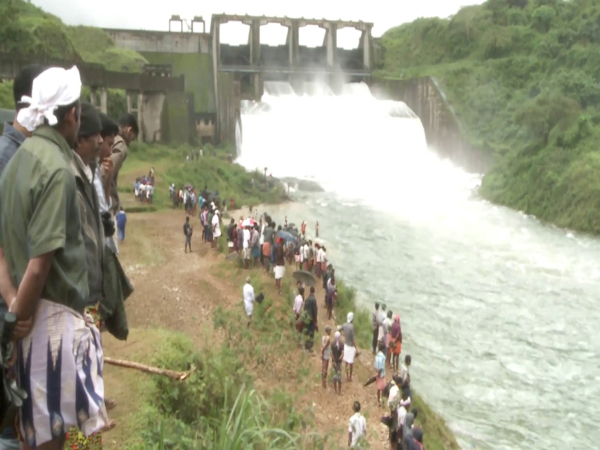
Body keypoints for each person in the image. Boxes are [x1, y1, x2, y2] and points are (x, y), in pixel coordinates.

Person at [0, 66, 108, 449]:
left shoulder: (17, 161)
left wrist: (13, 304)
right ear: (72, 115)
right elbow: (39, 266)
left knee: (31, 435)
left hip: (25, 317)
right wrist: (18, 316)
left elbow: (2, 250)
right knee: (49, 440)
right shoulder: (56, 170)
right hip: (48, 328)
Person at [108, 113, 138, 216]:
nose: (130, 143)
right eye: (132, 138)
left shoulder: (110, 137)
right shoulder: (121, 145)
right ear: (129, 130)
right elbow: (107, 173)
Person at [339, 312, 357, 381]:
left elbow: (339, 329)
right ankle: (350, 377)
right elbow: (353, 339)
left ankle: (346, 376)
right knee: (351, 363)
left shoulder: (344, 325)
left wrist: (343, 335)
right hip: (351, 347)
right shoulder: (351, 327)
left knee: (346, 362)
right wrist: (356, 348)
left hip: (346, 345)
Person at [303, 286, 318, 352]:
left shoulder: (307, 299)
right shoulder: (314, 300)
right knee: (311, 332)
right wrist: (315, 320)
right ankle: (309, 347)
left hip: (306, 318)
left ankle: (306, 346)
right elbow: (315, 311)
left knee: (306, 331)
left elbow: (304, 308)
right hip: (311, 319)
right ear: (314, 291)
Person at [374, 341, 387, 406]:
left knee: (378, 388)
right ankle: (382, 400)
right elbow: (382, 367)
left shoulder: (377, 356)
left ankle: (378, 400)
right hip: (381, 375)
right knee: (383, 388)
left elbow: (375, 365)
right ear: (383, 349)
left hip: (377, 373)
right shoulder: (383, 357)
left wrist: (377, 372)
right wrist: (379, 373)